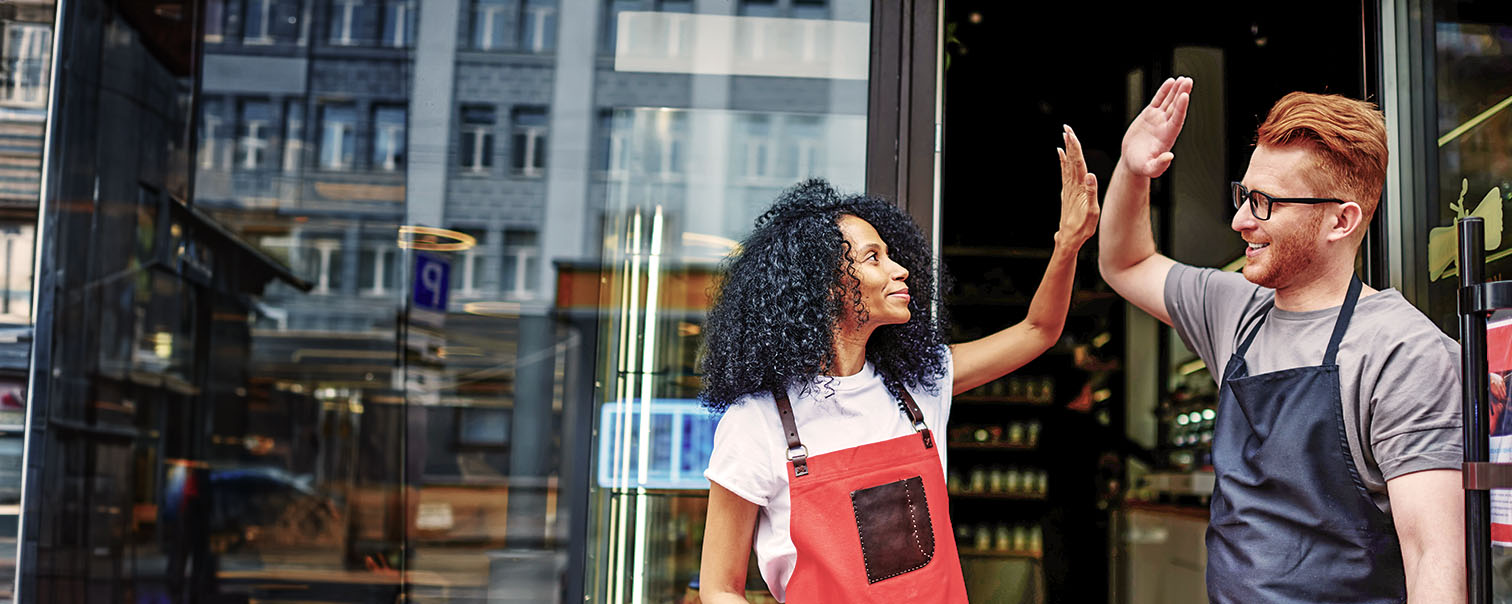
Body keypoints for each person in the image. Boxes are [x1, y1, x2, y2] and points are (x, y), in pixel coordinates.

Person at [1098, 77, 1465, 602]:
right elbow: (1124, 262)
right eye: (1244, 195)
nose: (1240, 219)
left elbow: (1435, 561)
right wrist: (1134, 171)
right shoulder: (1234, 311)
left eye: (1265, 202)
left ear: (1341, 220)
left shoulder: (1401, 352)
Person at [696, 131, 1100, 602]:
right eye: (874, 257)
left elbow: (1038, 331)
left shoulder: (918, 386)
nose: (900, 269)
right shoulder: (756, 422)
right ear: (825, 286)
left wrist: (1068, 244)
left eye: (891, 254)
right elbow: (719, 588)